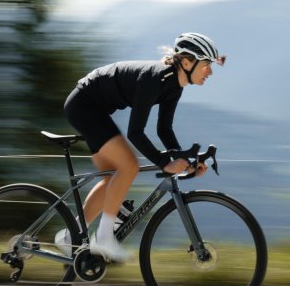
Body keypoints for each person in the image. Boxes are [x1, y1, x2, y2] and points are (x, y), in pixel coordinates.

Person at [60, 32, 226, 262]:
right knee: (129, 166)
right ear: (187, 62)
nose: (210, 71)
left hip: (94, 108)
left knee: (111, 178)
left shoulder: (174, 85)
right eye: (206, 64)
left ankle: (71, 236)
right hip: (84, 106)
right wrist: (164, 163)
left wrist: (186, 162)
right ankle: (104, 238)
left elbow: (164, 130)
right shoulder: (153, 78)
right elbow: (135, 132)